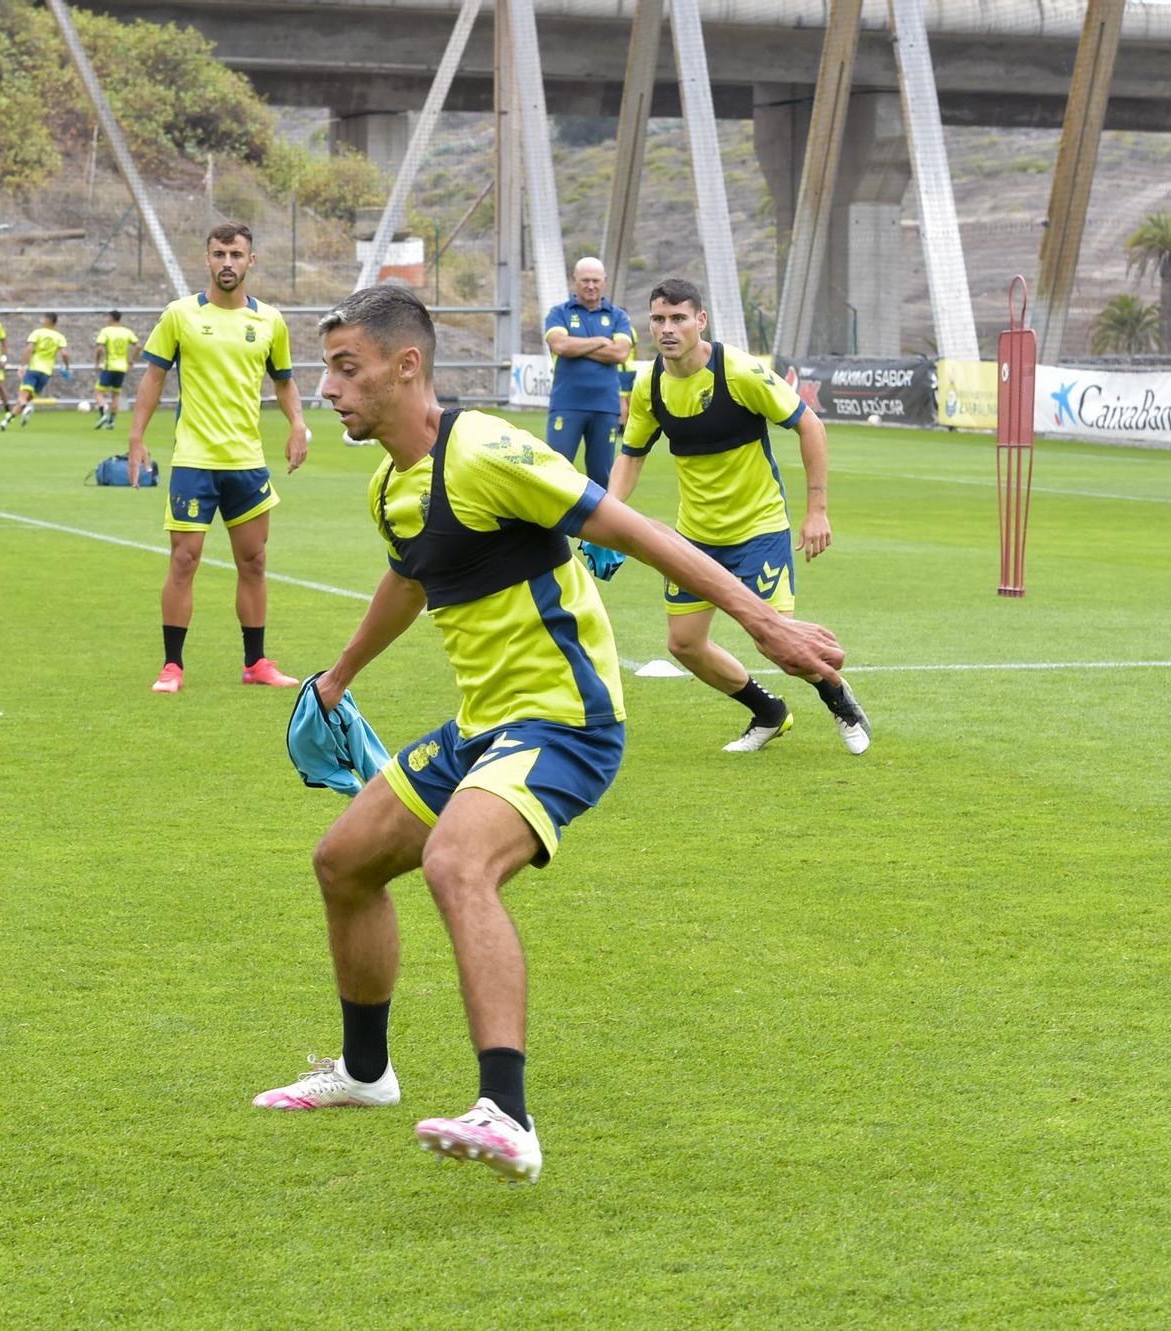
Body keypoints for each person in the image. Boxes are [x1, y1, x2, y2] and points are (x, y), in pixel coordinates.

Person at [253, 285, 846, 1183]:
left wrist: (764, 621)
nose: (328, 388)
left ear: (405, 366)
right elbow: (411, 579)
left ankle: (508, 1113)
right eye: (324, 370)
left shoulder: (487, 448)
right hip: (483, 725)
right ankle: (366, 1074)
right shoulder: (392, 487)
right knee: (344, 861)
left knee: (458, 862)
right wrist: (338, 676)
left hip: (567, 717)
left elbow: (635, 528)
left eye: (345, 368)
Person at [608, 278, 870, 755]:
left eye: (678, 318)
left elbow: (809, 425)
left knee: (778, 644)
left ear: (700, 321)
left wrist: (817, 511)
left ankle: (838, 698)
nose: (668, 329)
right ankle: (768, 713)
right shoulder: (649, 384)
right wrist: (606, 516)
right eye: (659, 319)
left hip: (759, 529)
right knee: (684, 645)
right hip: (694, 537)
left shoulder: (740, 373)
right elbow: (631, 455)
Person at [126, 222, 307, 694]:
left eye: (236, 254)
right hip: (194, 460)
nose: (228, 262)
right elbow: (153, 378)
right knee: (184, 560)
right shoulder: (180, 315)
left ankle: (256, 663)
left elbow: (284, 381)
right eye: (220, 254)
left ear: (251, 261)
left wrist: (297, 425)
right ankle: (172, 666)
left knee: (254, 562)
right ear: (207, 259)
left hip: (246, 461)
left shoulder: (269, 320)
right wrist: (136, 438)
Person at [541, 256, 632, 486]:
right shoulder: (558, 312)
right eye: (585, 280)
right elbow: (560, 345)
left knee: (601, 476)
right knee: (556, 472)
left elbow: (620, 353)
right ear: (575, 281)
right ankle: (554, 523)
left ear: (604, 281)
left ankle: (599, 523)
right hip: (567, 404)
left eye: (595, 280)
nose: (590, 286)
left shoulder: (618, 316)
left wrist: (577, 346)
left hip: (605, 407)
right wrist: (602, 341)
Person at [0, 314, 70, 431]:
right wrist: (67, 367)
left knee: (22, 398)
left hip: (34, 369)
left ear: (48, 321)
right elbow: (65, 354)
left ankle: (26, 408)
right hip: (46, 373)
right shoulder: (59, 337)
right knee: (27, 399)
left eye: (43, 318)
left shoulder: (37, 333)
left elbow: (29, 349)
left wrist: (22, 366)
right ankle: (6, 421)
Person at [92, 309, 138, 430]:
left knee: (98, 392)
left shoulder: (106, 331)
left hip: (109, 366)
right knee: (116, 395)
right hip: (122, 367)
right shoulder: (126, 331)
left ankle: (103, 414)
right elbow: (138, 346)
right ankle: (111, 422)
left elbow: (100, 349)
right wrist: (132, 360)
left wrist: (97, 362)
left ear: (111, 318)